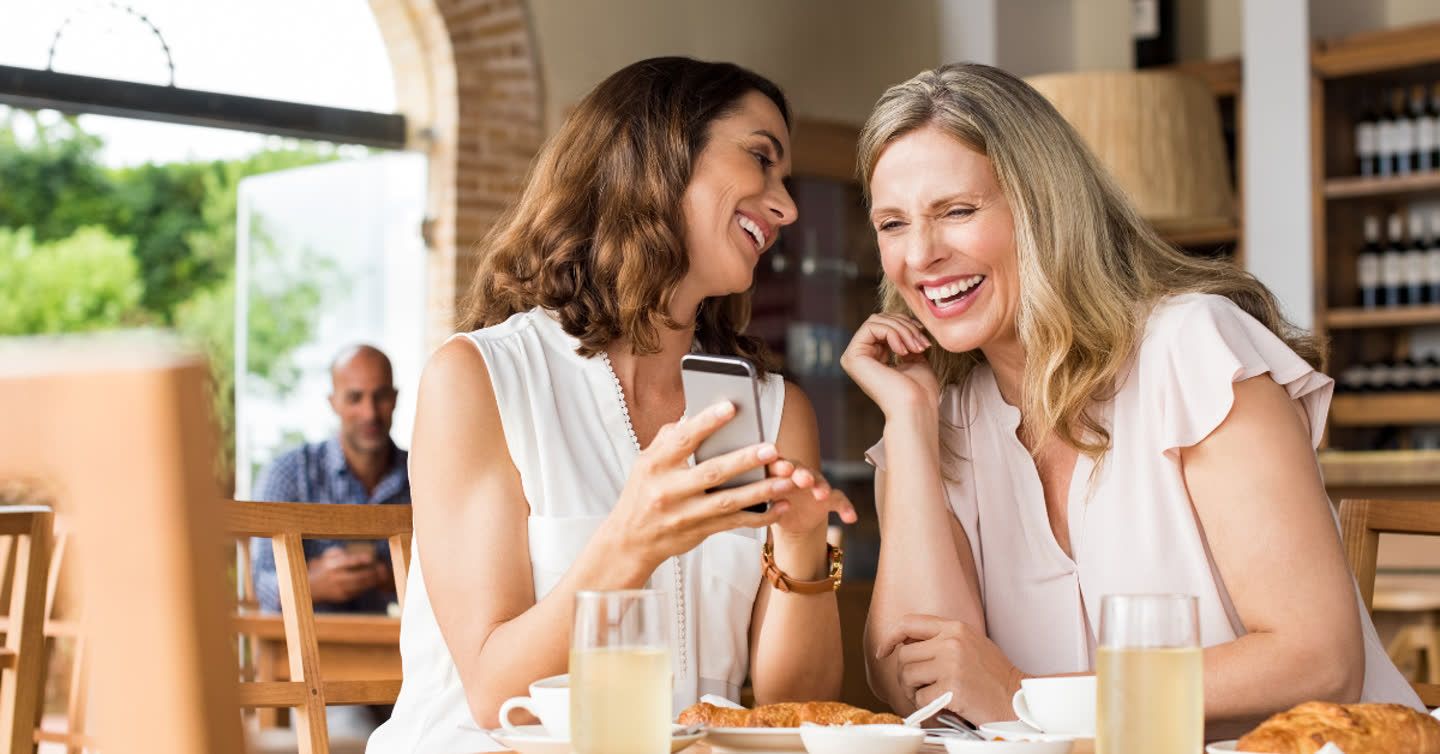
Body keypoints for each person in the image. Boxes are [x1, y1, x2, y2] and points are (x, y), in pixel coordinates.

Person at [841, 63, 1423, 741]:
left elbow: (1318, 662)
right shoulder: (937, 420)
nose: (922, 255)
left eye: (958, 211)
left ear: (1045, 206)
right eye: (892, 224)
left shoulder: (1192, 347)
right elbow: (923, 687)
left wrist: (1025, 696)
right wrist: (909, 426)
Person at [368, 57, 857, 754]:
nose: (787, 205)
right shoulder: (480, 379)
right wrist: (631, 540)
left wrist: (803, 546)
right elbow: (492, 694)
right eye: (760, 159)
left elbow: (790, 709)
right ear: (659, 153)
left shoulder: (775, 412)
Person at [250, 344, 408, 615]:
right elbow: (261, 580)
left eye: (380, 396)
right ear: (333, 402)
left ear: (395, 399)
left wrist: (386, 575)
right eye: (354, 398)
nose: (369, 413)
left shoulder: (421, 474)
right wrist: (310, 584)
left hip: (390, 648)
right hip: (303, 647)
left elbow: (454, 574)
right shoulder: (288, 472)